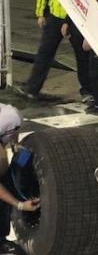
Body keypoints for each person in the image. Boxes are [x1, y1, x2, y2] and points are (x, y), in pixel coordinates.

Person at [15, 0, 92, 102]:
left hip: (74, 19)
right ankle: (32, 88)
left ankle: (88, 91)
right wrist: (41, 13)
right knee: (45, 53)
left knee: (82, 56)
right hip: (54, 17)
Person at [0, 104, 40, 254]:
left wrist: (14, 143)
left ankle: (21, 189)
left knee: (23, 156)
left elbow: (14, 129)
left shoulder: (11, 115)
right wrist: (19, 205)